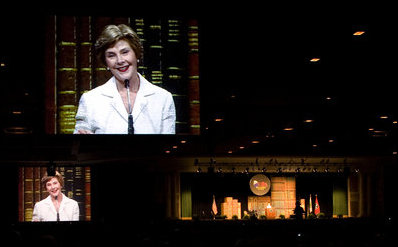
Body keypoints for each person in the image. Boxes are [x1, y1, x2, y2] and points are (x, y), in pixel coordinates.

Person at [74, 24, 176, 134]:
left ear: (136, 54)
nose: (120, 60)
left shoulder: (163, 99)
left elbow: (168, 147)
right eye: (111, 55)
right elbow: (79, 146)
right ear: (106, 62)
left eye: (125, 52)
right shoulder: (90, 100)